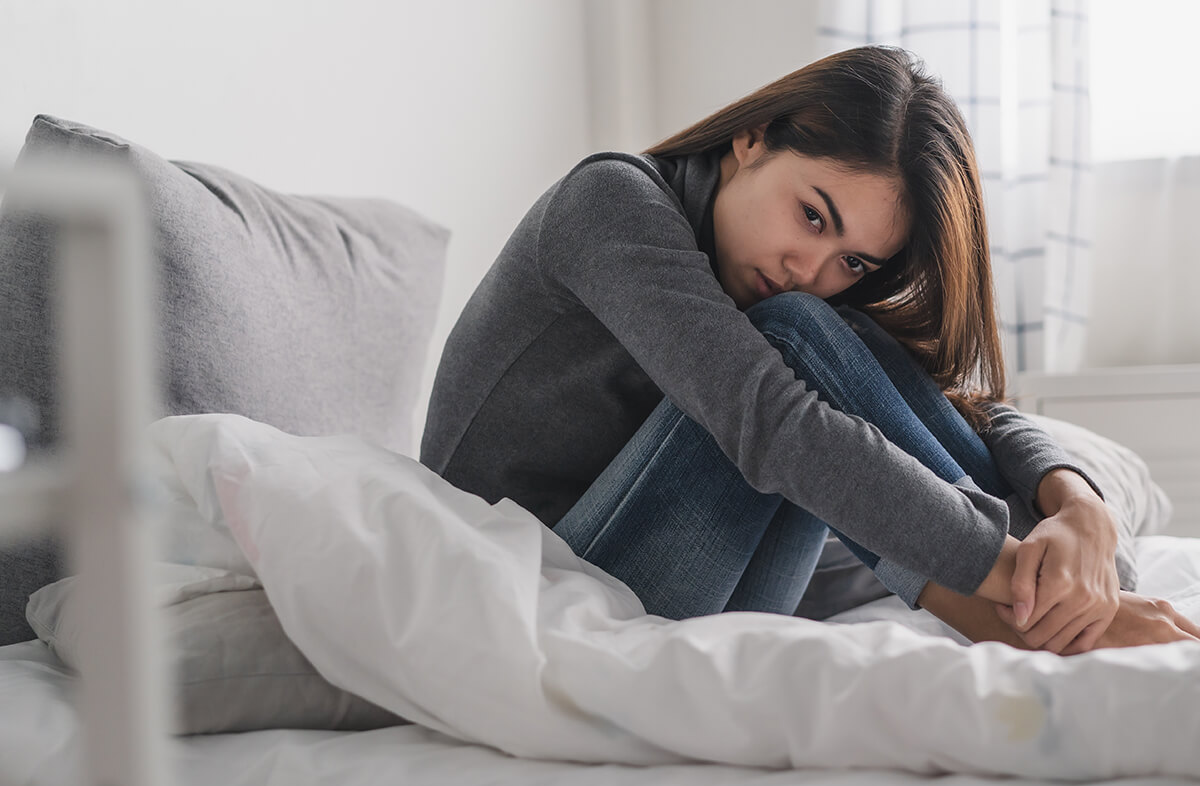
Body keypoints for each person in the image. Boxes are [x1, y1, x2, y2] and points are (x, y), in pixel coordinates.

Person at [420, 45, 1200, 655]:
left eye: (854, 261)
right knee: (793, 344)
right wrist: (998, 569)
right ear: (753, 138)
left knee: (824, 338)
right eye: (814, 216)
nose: (815, 269)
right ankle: (1041, 611)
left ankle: (1067, 588)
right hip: (534, 599)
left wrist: (1079, 500)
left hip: (659, 584)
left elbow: (964, 403)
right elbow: (773, 426)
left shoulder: (770, 276)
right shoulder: (608, 202)